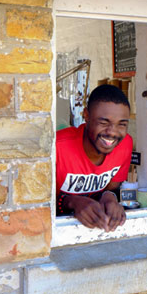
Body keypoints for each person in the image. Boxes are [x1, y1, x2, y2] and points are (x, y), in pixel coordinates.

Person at [56, 84, 132, 231]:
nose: (112, 133)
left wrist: (110, 197)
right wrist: (72, 202)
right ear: (86, 116)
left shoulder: (125, 144)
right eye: (104, 123)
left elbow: (111, 188)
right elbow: (37, 204)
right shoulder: (57, 147)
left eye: (121, 125)